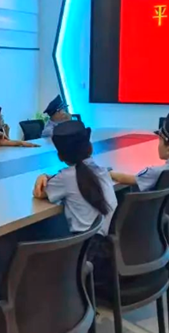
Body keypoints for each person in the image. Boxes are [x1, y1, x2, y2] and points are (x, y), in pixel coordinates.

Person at [32, 120, 118, 296]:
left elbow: (39, 193)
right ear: (90, 148)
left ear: (60, 156)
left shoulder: (65, 178)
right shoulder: (102, 171)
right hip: (109, 254)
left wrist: (42, 176)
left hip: (86, 256)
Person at [111, 111, 169, 190]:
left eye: (160, 141)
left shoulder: (157, 172)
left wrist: (109, 173)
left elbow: (127, 179)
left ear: (168, 149)